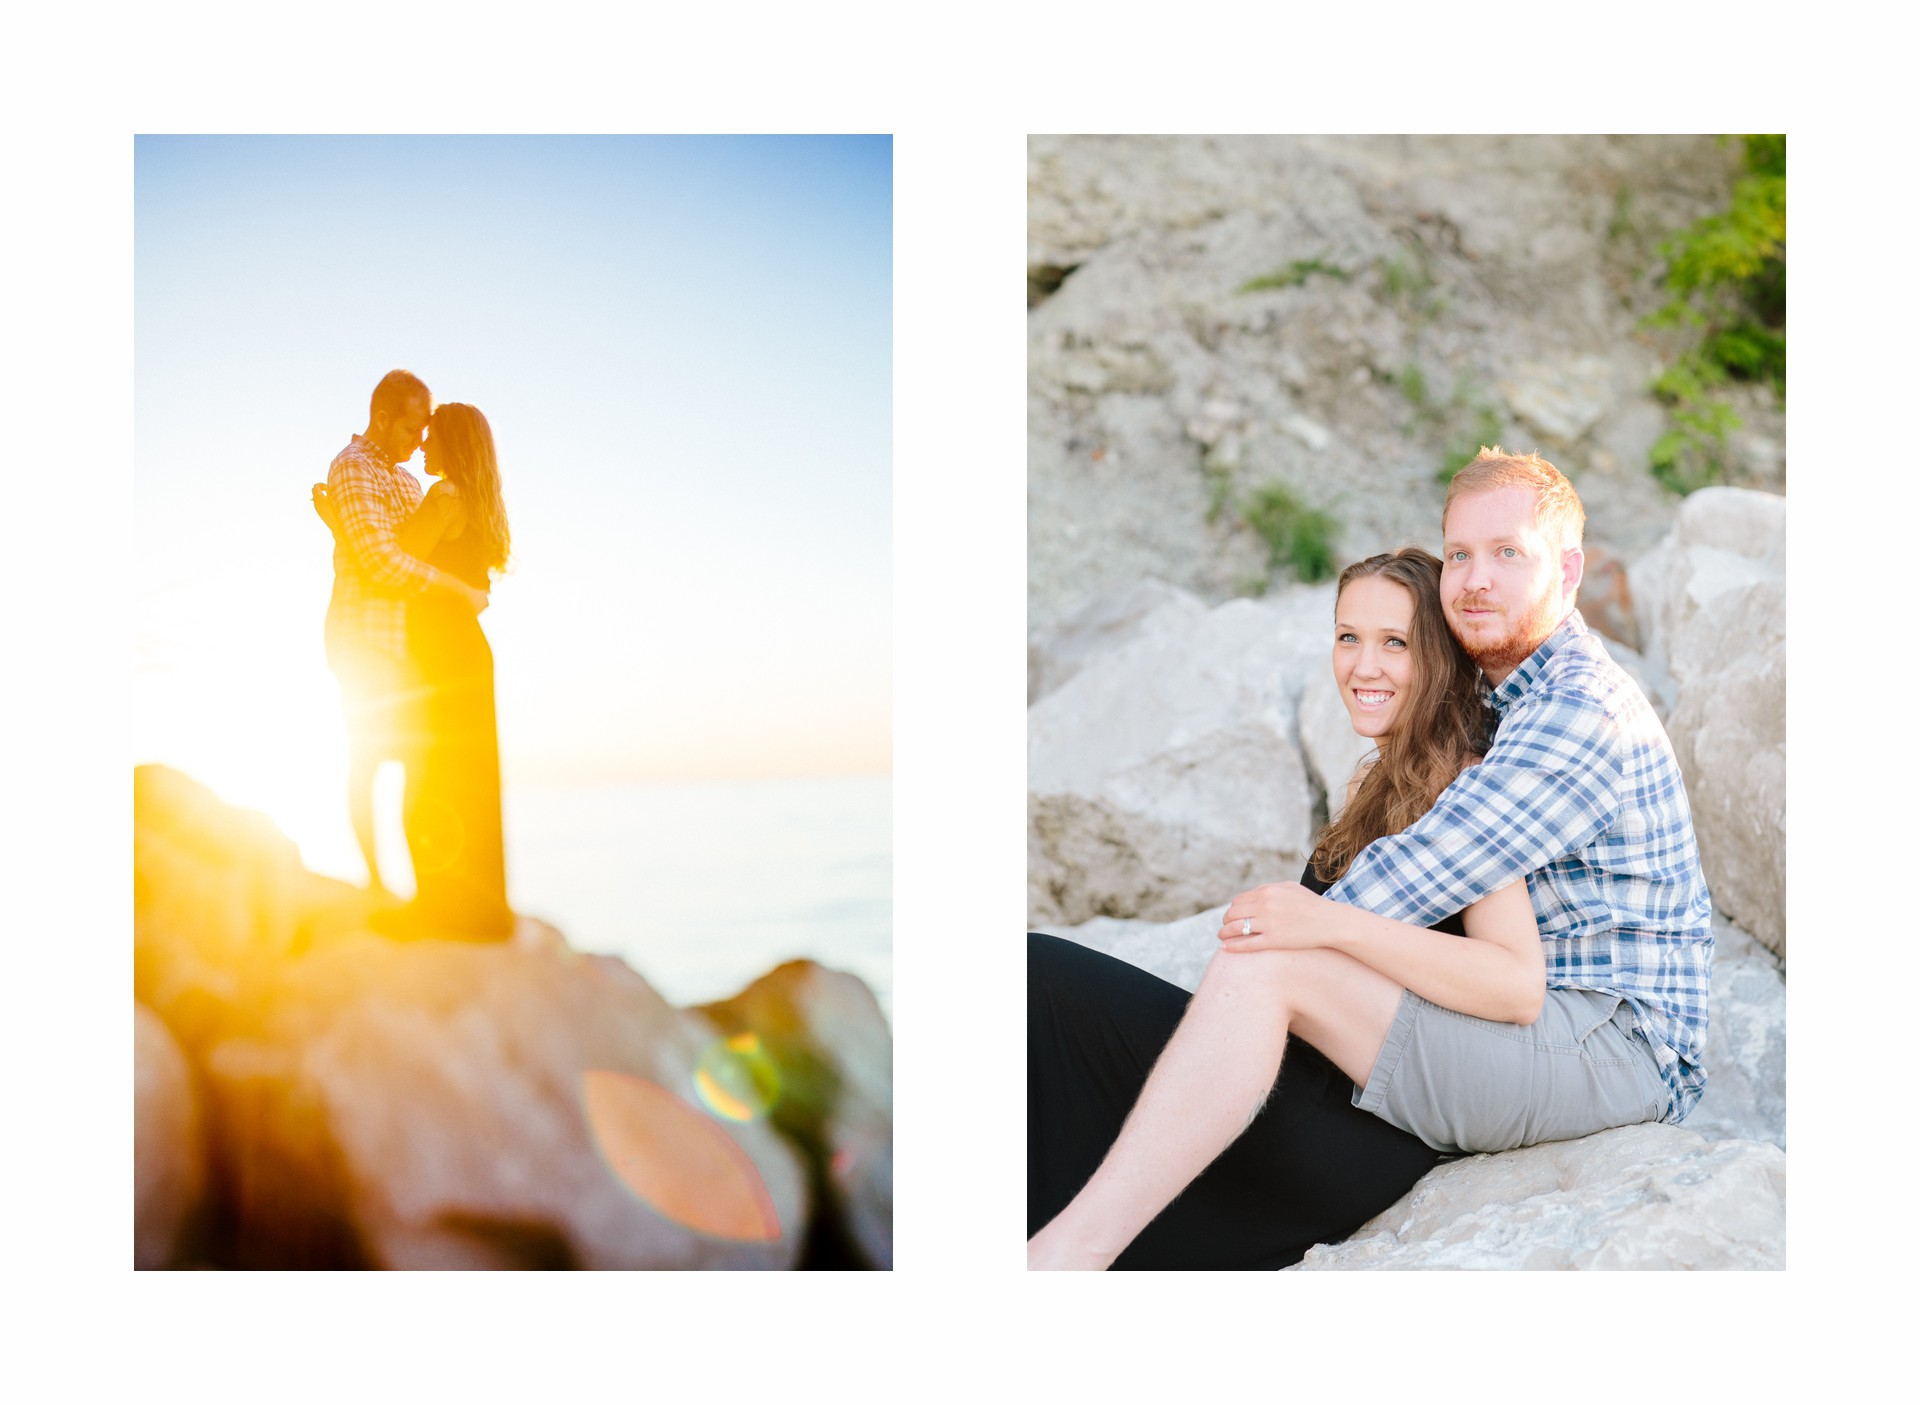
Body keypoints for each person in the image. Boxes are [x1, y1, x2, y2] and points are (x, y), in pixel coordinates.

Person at [1028, 448, 1712, 1270]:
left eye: (1507, 554)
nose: (1475, 579)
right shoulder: (1497, 708)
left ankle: (1062, 1262)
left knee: (1251, 971)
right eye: (1459, 552)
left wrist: (1301, 922)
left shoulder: (1574, 713)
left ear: (1567, 571)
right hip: (1517, 1031)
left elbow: (1431, 890)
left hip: (1617, 1042)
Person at [319, 370, 489, 898]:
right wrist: (457, 591)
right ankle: (376, 885)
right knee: (368, 760)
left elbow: (414, 549)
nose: (421, 440)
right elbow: (381, 564)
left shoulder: (410, 482)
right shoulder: (351, 469)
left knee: (416, 765)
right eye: (414, 428)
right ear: (383, 418)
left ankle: (423, 891)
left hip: (406, 643)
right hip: (364, 637)